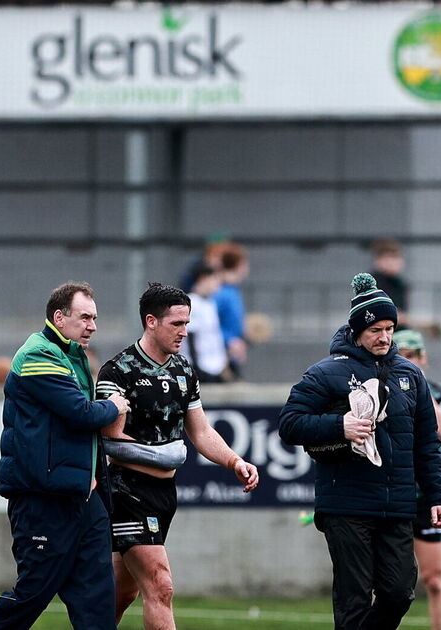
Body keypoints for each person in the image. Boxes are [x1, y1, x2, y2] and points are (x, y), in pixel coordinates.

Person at [278, 272, 441, 630]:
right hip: (346, 503)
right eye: (375, 330)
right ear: (357, 331)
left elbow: (427, 442)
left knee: (399, 593)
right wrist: (338, 425)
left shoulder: (410, 375)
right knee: (353, 601)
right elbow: (290, 424)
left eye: (389, 329)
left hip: (397, 504)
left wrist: (437, 496)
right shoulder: (325, 373)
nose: (384, 337)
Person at [96, 282, 259, 630]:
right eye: (177, 324)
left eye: (187, 323)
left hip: (165, 494)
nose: (185, 331)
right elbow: (110, 438)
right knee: (161, 586)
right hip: (128, 491)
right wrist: (165, 454)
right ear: (151, 321)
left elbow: (201, 432)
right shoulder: (118, 371)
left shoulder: (184, 370)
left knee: (121, 593)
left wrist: (235, 461)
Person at [0, 281, 130, 630]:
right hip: (43, 499)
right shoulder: (38, 354)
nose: (93, 326)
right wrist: (113, 405)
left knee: (97, 602)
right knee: (32, 594)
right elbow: (79, 413)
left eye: (95, 318)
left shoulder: (72, 355)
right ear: (59, 318)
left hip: (83, 498)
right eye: (85, 317)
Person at [395, 329, 441, 630]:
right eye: (401, 357)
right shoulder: (380, 391)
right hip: (391, 496)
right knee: (380, 582)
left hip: (425, 498)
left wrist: (418, 388)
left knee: (435, 580)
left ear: (423, 358)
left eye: (412, 357)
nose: (407, 362)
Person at [181, 264, 230, 382]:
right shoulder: (191, 303)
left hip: (214, 367)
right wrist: (196, 368)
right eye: (215, 279)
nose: (218, 285)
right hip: (199, 367)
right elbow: (190, 335)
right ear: (203, 278)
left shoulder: (210, 304)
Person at [214, 242, 250, 378]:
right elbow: (209, 324)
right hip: (220, 357)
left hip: (232, 355)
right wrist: (229, 341)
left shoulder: (233, 290)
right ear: (239, 265)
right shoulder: (220, 292)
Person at [369, 238, 410, 327]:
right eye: (387, 259)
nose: (391, 263)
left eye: (395, 258)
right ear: (377, 261)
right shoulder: (371, 283)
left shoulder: (400, 284)